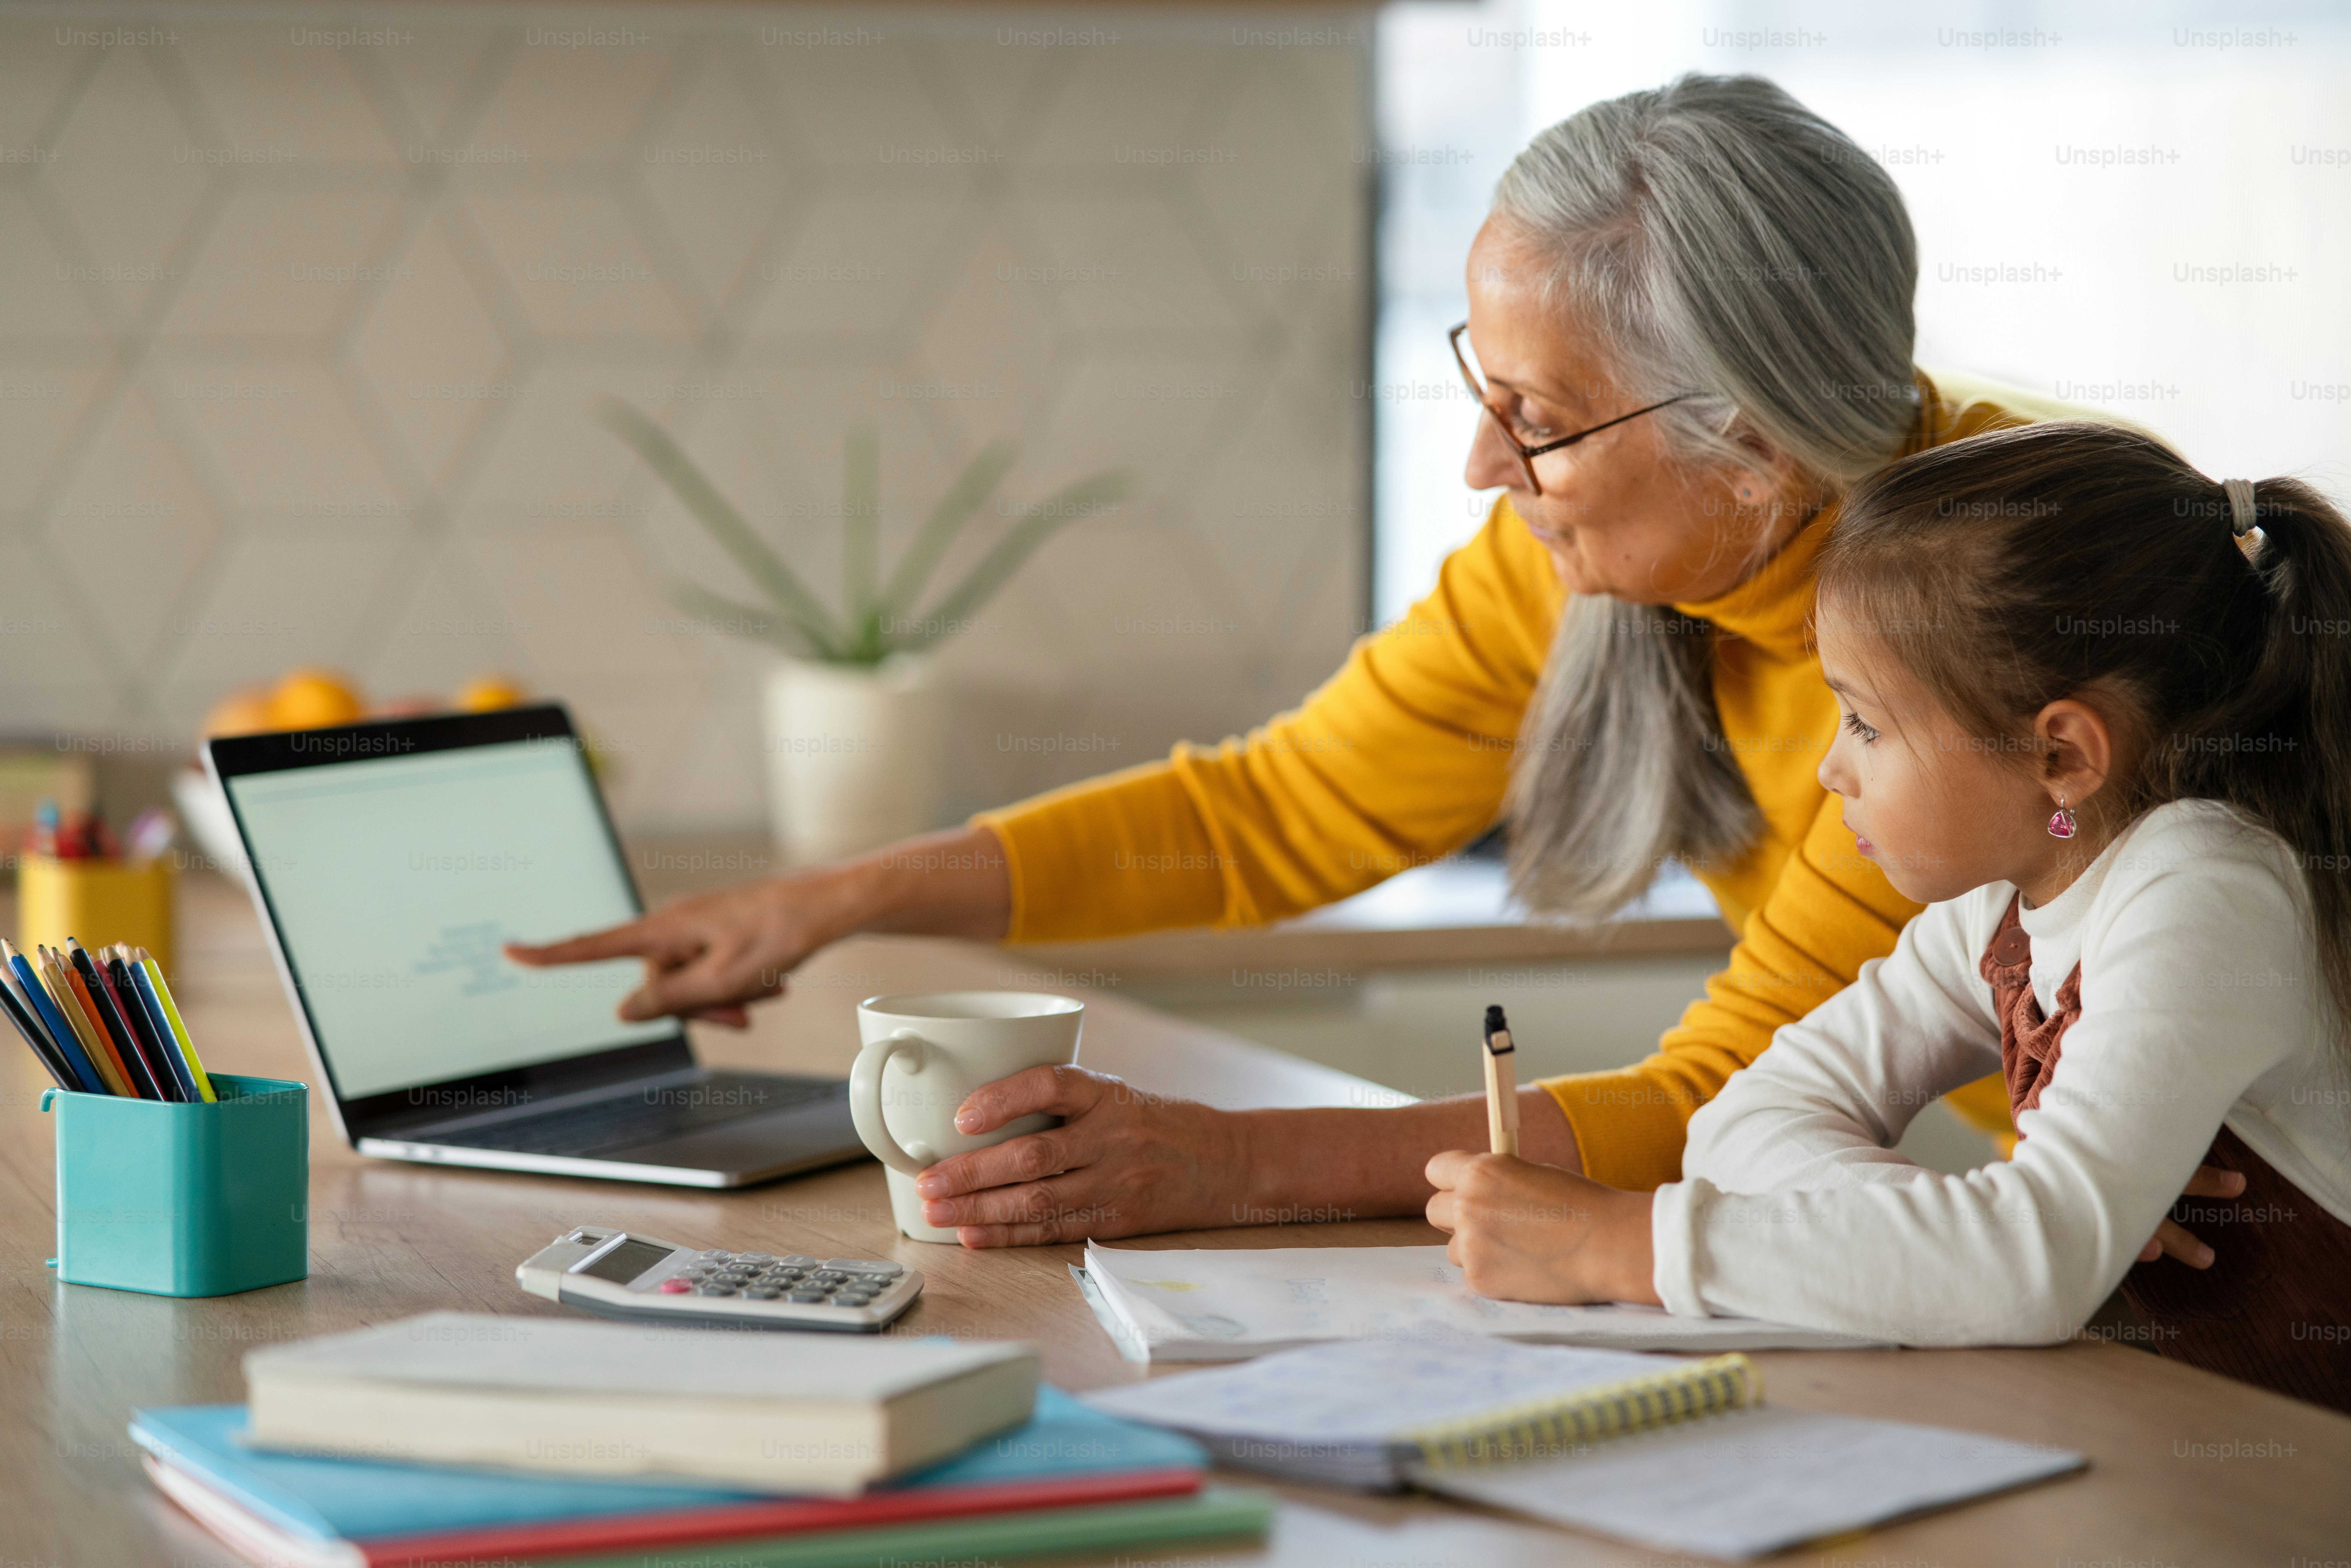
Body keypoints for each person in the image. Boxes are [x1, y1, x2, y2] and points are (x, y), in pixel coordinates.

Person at [510, 75, 2230, 1267]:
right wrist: (846, 897)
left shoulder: (1985, 627)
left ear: (1756, 450)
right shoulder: (1594, 555)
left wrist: (1227, 1163)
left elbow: (1718, 1097)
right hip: (2062, 1246)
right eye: (1482, 382)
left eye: (1541, 425)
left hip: (2209, 1260)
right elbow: (1273, 811)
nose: (1486, 467)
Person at [1426, 423, 2351, 1410]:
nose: (1833, 768)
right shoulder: (2003, 902)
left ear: (2065, 756)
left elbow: (2028, 1273)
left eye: (1866, 721)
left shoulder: (2204, 890)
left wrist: (1620, 1247)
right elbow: (1745, 1120)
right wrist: (1976, 1233)